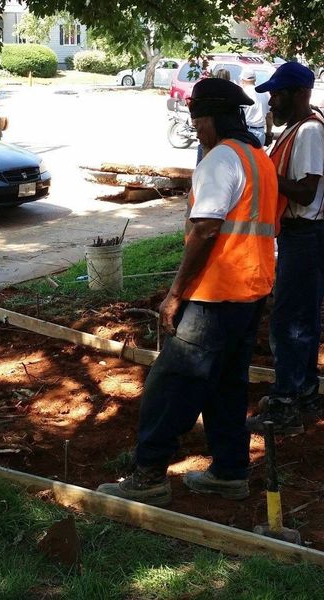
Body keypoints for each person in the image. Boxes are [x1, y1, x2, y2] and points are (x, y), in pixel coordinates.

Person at [97, 78, 278, 506]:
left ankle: (149, 476)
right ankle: (230, 472)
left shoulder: (220, 161)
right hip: (251, 292)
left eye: (197, 123)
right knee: (226, 385)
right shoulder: (259, 159)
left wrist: (176, 293)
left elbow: (205, 227)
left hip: (213, 295)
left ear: (210, 119)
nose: (196, 132)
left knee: (172, 383)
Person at [247, 62, 324, 435]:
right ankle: (306, 391)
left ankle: (285, 404)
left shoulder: (309, 131)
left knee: (289, 320)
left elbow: (307, 190)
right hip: (302, 234)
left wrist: (264, 175)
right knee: (301, 317)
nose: (271, 101)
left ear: (299, 94)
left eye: (277, 94)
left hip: (306, 234)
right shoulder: (296, 130)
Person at [240, 68, 272, 146]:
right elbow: (269, 116)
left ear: (243, 79)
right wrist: (268, 133)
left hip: (246, 131)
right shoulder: (264, 93)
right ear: (255, 79)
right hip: (260, 132)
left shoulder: (242, 93)